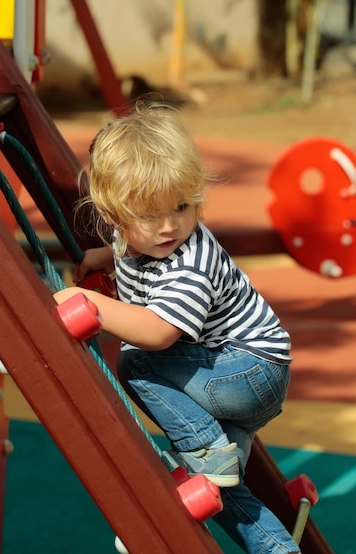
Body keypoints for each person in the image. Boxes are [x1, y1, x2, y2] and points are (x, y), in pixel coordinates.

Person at [55, 101, 300, 553]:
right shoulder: (131, 233)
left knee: (135, 362)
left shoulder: (190, 263)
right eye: (150, 215)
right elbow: (131, 247)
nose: (169, 226)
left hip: (246, 370)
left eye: (182, 207)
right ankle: (276, 545)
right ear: (113, 214)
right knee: (221, 492)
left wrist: (91, 301)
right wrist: (103, 259)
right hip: (242, 374)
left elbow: (157, 332)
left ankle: (206, 451)